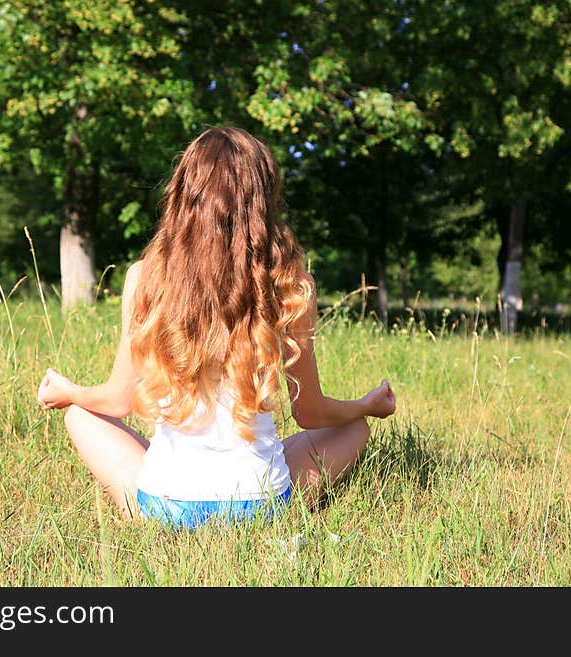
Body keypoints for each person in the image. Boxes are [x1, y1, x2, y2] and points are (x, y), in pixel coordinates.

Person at [37, 126, 396, 530]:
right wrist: (365, 406)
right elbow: (310, 413)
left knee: (79, 417)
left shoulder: (145, 277)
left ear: (183, 195)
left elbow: (117, 402)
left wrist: (71, 393)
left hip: (165, 507)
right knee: (355, 429)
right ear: (262, 201)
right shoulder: (289, 284)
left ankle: (145, 513)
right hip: (263, 506)